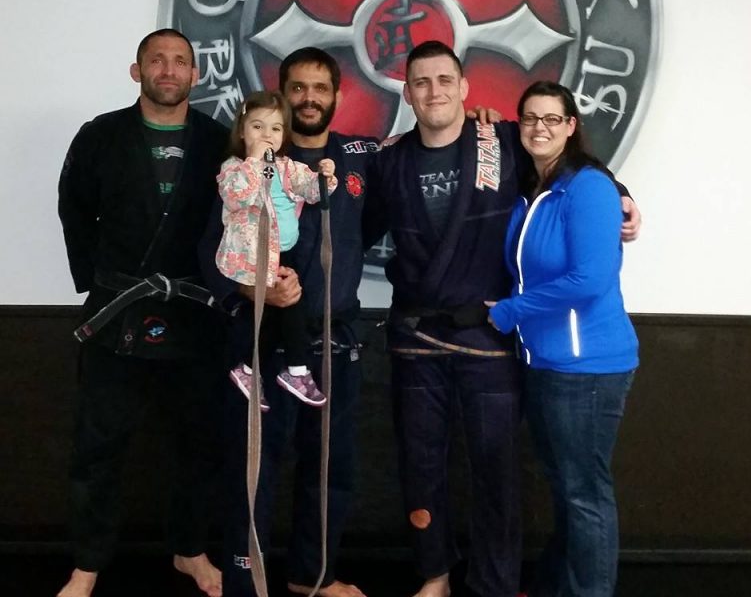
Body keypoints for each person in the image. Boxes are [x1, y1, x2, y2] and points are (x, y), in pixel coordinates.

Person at [362, 40, 640, 597]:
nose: (434, 91)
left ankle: (494, 584)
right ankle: (435, 574)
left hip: (487, 333)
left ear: (465, 88)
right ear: (407, 93)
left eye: (445, 79)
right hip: (416, 333)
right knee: (420, 463)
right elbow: (352, 230)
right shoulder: (388, 159)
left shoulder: (503, 140)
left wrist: (622, 194)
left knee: (497, 469)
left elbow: (568, 163)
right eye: (421, 82)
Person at [57, 29, 229, 597]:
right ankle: (87, 563)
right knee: (98, 445)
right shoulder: (100, 136)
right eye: (157, 60)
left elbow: (235, 222)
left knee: (199, 442)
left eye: (180, 61)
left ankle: (190, 549)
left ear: (195, 75)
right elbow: (74, 211)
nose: (168, 70)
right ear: (137, 71)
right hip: (118, 310)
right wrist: (100, 282)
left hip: (195, 312)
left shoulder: (219, 141)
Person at [199, 48, 377, 597]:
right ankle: (244, 580)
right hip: (266, 341)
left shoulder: (356, 161)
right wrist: (255, 290)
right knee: (255, 469)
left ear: (337, 96)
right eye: (297, 88)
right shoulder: (254, 160)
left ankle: (311, 575)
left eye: (320, 88)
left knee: (329, 470)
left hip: (336, 339)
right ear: (281, 94)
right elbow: (212, 248)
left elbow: (368, 227)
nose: (308, 99)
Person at [487, 81, 638, 597]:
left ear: (571, 126)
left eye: (552, 118)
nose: (539, 128)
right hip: (545, 365)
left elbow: (590, 280)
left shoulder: (589, 187)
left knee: (585, 495)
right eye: (530, 118)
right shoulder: (536, 188)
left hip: (587, 369)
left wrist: (510, 311)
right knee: (568, 492)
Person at [217, 90, 337, 407]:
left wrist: (324, 177)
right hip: (251, 254)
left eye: (275, 128)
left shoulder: (285, 166)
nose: (266, 135)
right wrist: (253, 161)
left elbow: (311, 191)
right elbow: (236, 195)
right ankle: (297, 370)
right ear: (241, 132)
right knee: (291, 306)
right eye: (257, 127)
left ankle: (248, 368)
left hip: (283, 251)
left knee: (276, 314)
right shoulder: (234, 166)